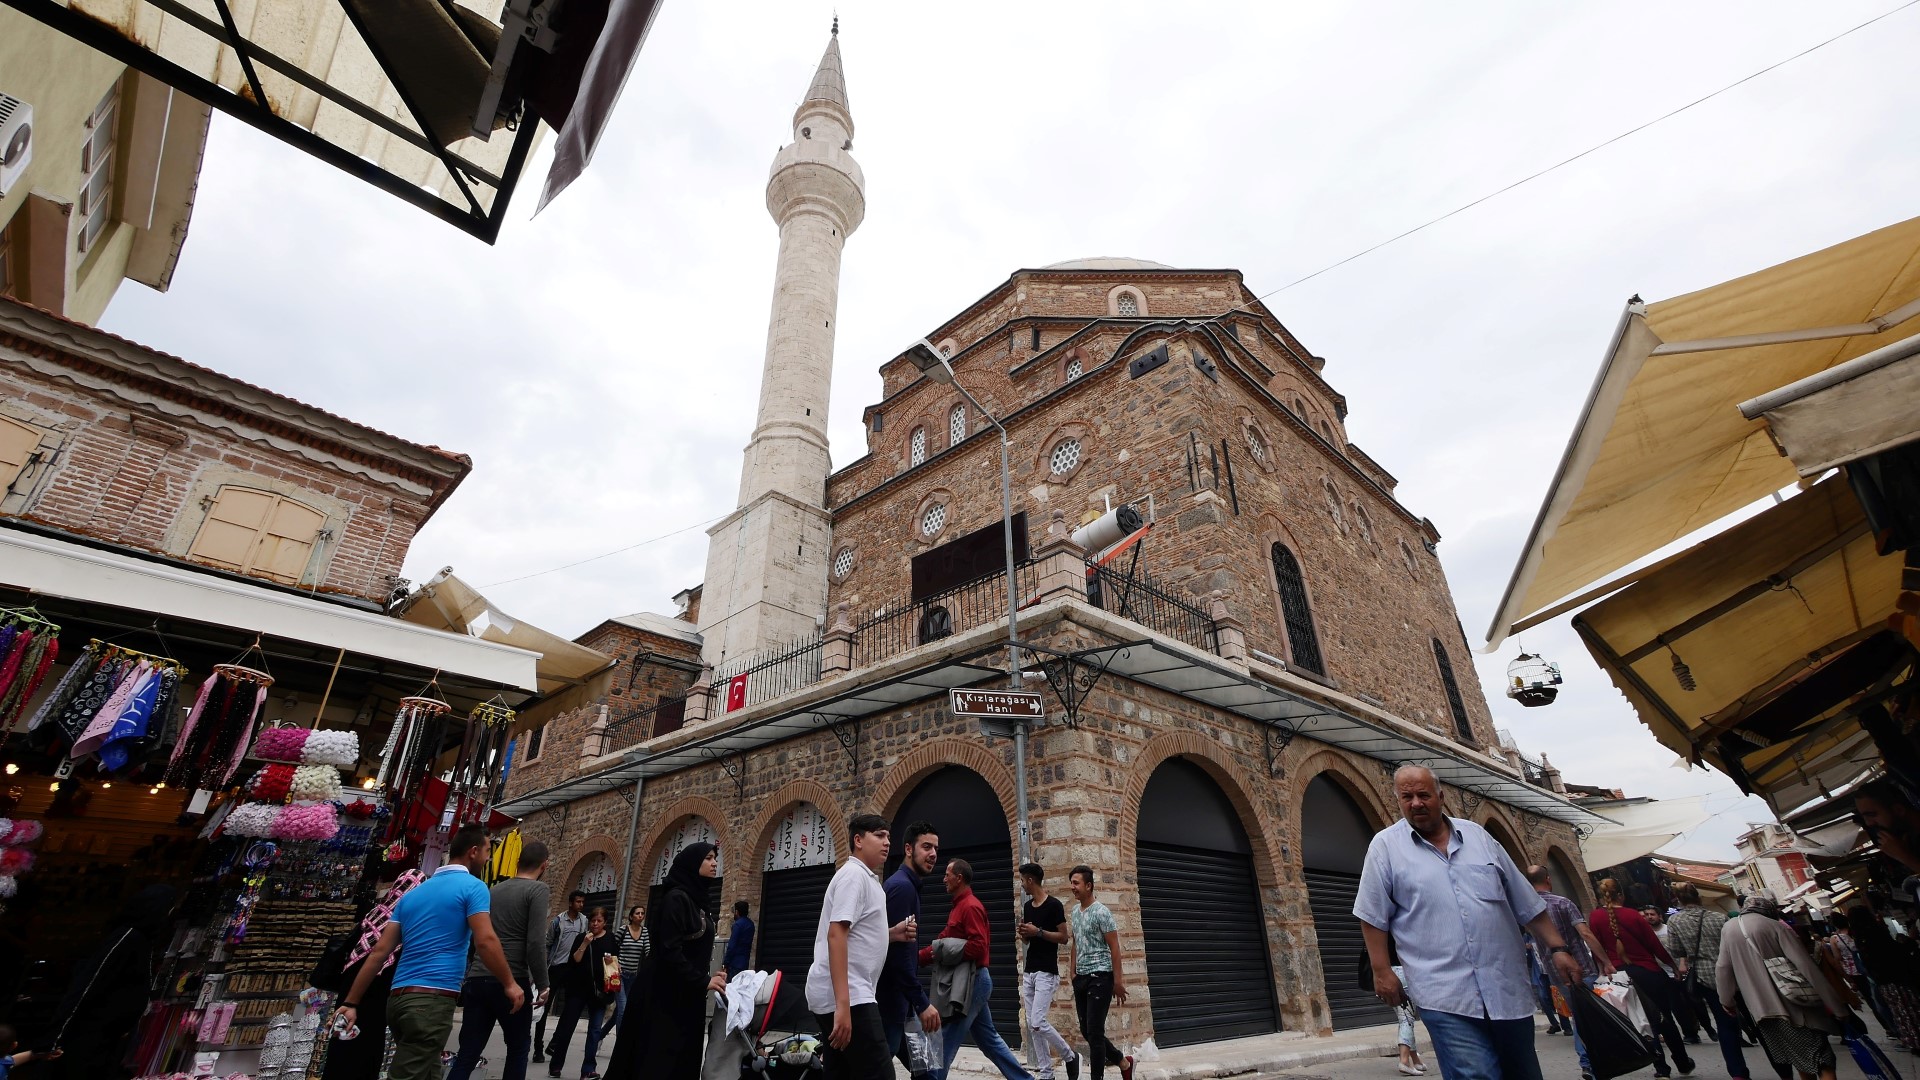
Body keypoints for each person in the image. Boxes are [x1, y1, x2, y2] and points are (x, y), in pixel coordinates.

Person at [1355, 766, 1582, 1080]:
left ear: (1441, 796)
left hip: (1506, 990)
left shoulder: (1479, 838)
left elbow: (1527, 904)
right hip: (1444, 993)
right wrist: (1381, 971)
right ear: (1398, 801)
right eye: (1407, 797)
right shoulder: (1385, 847)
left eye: (1423, 795)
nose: (1416, 803)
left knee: (1523, 1074)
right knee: (1475, 1074)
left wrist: (1558, 948)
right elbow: (1372, 915)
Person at [334, 827, 524, 1080]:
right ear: (474, 852)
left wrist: (351, 1002)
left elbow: (379, 952)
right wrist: (510, 983)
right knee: (408, 1074)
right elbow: (486, 940)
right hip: (431, 999)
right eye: (488, 852)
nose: (488, 859)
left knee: (429, 1070)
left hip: (398, 1000)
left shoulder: (413, 895)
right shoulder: (473, 887)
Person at [605, 843, 726, 1080]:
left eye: (715, 858)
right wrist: (703, 980)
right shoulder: (676, 899)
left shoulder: (697, 900)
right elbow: (669, 951)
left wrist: (711, 977)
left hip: (685, 995)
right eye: (708, 858)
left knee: (679, 1059)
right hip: (663, 997)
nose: (714, 863)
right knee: (658, 1060)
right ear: (693, 864)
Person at [807, 813, 914, 1079]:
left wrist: (890, 934)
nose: (887, 842)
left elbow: (856, 934)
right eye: (879, 836)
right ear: (858, 840)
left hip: (847, 993)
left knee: (842, 1073)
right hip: (850, 995)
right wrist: (843, 1005)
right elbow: (836, 935)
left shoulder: (867, 879)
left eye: (888, 836)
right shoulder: (853, 875)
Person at [48, 884, 177, 1080]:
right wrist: (55, 1036)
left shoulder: (140, 940)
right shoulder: (127, 938)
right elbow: (87, 984)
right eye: (168, 910)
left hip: (108, 1037)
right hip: (90, 1035)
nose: (169, 916)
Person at [449, 838, 553, 1080]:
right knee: (518, 1050)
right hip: (512, 980)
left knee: (467, 1053)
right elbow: (536, 942)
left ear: (517, 863)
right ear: (544, 865)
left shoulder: (492, 890)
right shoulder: (538, 890)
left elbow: (478, 936)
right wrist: (544, 983)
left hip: (477, 978)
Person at [1716, 892, 1849, 1080]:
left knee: (1800, 1060)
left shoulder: (1728, 929)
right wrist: (1837, 1006)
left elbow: (1723, 967)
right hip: (1796, 1005)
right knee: (1823, 1060)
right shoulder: (1775, 926)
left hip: (1763, 1011)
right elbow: (1806, 966)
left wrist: (1726, 1000)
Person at [920, 858, 1032, 1080]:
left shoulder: (970, 907)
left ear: (959, 878)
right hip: (975, 981)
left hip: (972, 982)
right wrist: (920, 957)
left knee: (946, 1038)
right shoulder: (959, 907)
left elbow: (978, 947)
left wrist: (945, 950)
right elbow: (945, 939)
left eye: (947, 875)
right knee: (990, 1041)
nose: (943, 879)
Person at [1588, 878, 1696, 1079]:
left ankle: (1661, 1067)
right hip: (1647, 972)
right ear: (1621, 894)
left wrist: (1603, 969)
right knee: (1664, 1018)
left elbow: (1597, 948)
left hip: (1619, 975)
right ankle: (1682, 1062)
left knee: (1642, 1021)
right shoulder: (1633, 916)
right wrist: (1672, 965)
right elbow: (1654, 944)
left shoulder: (1595, 917)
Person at [1522, 865, 1611, 1080]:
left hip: (1555, 974)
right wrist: (1606, 961)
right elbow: (1585, 934)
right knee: (1591, 1016)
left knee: (1578, 1016)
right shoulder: (1563, 903)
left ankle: (1590, 1061)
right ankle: (1595, 1060)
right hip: (1581, 967)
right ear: (1549, 880)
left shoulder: (1527, 910)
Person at [1664, 883, 1758, 1080]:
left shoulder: (1674, 921)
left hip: (1702, 976)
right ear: (1699, 898)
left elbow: (1676, 950)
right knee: (1743, 1017)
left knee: (1724, 1022)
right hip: (1731, 973)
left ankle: (1738, 1072)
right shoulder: (1719, 918)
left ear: (1679, 900)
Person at [880, 821, 942, 1073]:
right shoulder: (902, 888)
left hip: (902, 1003)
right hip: (892, 1003)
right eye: (926, 846)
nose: (933, 854)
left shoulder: (908, 886)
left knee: (926, 1071)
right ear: (908, 849)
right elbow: (897, 955)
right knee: (880, 1071)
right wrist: (922, 1002)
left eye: (936, 848)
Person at [1065, 865, 1129, 1080]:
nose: (1072, 887)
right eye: (1071, 882)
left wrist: (1118, 982)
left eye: (1076, 883)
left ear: (1088, 885)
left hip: (1101, 977)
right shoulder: (1075, 911)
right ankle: (1122, 1062)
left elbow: (1115, 947)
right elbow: (1076, 942)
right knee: (1087, 1031)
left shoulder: (1102, 912)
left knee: (1094, 1031)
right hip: (1081, 978)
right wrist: (1072, 970)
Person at [1017, 863, 1079, 1080]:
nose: (1022, 885)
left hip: (1046, 971)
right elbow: (1028, 939)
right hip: (1030, 971)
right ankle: (1046, 1073)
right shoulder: (1027, 907)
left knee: (1038, 1022)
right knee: (1034, 1027)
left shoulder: (1054, 905)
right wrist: (1025, 934)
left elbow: (1064, 937)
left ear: (1031, 880)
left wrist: (1039, 931)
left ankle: (1069, 1055)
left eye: (1023, 880)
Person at [548, 907, 617, 1079]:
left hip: (598, 993)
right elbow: (575, 959)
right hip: (577, 990)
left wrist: (611, 961)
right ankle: (555, 1066)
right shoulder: (581, 937)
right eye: (593, 921)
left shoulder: (610, 939)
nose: (595, 924)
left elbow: (615, 965)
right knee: (566, 1028)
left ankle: (588, 1069)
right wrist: (585, 943)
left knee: (594, 1031)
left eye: (599, 921)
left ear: (605, 923)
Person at [1844, 904, 1920, 1051]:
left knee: (1899, 1010)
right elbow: (1894, 951)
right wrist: (1909, 941)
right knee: (1908, 1007)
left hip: (1882, 980)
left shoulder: (1859, 936)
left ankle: (1912, 1040)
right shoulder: (1876, 931)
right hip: (1897, 976)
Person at [534, 891, 589, 1065]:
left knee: (570, 1007)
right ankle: (537, 1048)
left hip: (572, 969)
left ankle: (554, 1042)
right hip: (555, 968)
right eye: (578, 902)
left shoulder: (584, 921)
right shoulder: (558, 921)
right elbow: (547, 944)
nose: (581, 904)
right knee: (545, 1007)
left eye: (582, 902)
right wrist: (544, 968)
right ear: (571, 903)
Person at [1646, 905, 1704, 1044]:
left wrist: (1682, 964)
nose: (1649, 917)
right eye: (1647, 915)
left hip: (1681, 970)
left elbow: (1682, 948)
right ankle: (1689, 1034)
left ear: (1659, 916)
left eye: (1652, 914)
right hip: (1663, 974)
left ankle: (1704, 1025)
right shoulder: (1647, 934)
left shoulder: (1669, 930)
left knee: (1692, 1001)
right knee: (1677, 1006)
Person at [597, 904, 648, 1042]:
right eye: (637, 913)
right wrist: (615, 961)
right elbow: (612, 946)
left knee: (618, 1013)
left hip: (633, 977)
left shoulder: (645, 932)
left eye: (642, 913)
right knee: (623, 1009)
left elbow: (648, 951)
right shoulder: (623, 930)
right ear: (631, 916)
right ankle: (620, 1045)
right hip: (618, 976)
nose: (640, 916)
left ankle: (599, 1037)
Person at [726, 900, 756, 977]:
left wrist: (725, 962)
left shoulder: (737, 925)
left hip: (734, 963)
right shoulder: (751, 924)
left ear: (737, 912)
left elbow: (731, 946)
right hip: (745, 962)